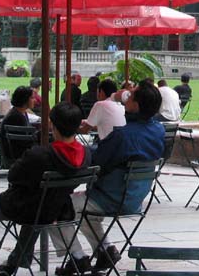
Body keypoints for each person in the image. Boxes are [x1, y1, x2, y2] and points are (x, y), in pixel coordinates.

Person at [50, 80, 165, 275]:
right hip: (134, 198)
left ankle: (77, 258)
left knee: (53, 207)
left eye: (131, 96)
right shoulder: (157, 130)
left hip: (110, 197)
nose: (126, 98)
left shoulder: (124, 136)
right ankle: (105, 250)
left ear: (136, 105)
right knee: (85, 213)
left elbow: (97, 160)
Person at [0, 102, 91, 276]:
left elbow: (13, 175)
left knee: (34, 207)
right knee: (38, 206)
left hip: (19, 205)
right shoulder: (86, 155)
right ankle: (16, 261)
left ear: (53, 126)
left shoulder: (40, 155)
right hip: (54, 207)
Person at [0, 86, 40, 166]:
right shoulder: (16, 117)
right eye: (32, 98)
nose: (34, 100)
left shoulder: (20, 113)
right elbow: (23, 142)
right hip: (16, 158)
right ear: (25, 100)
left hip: (17, 155)